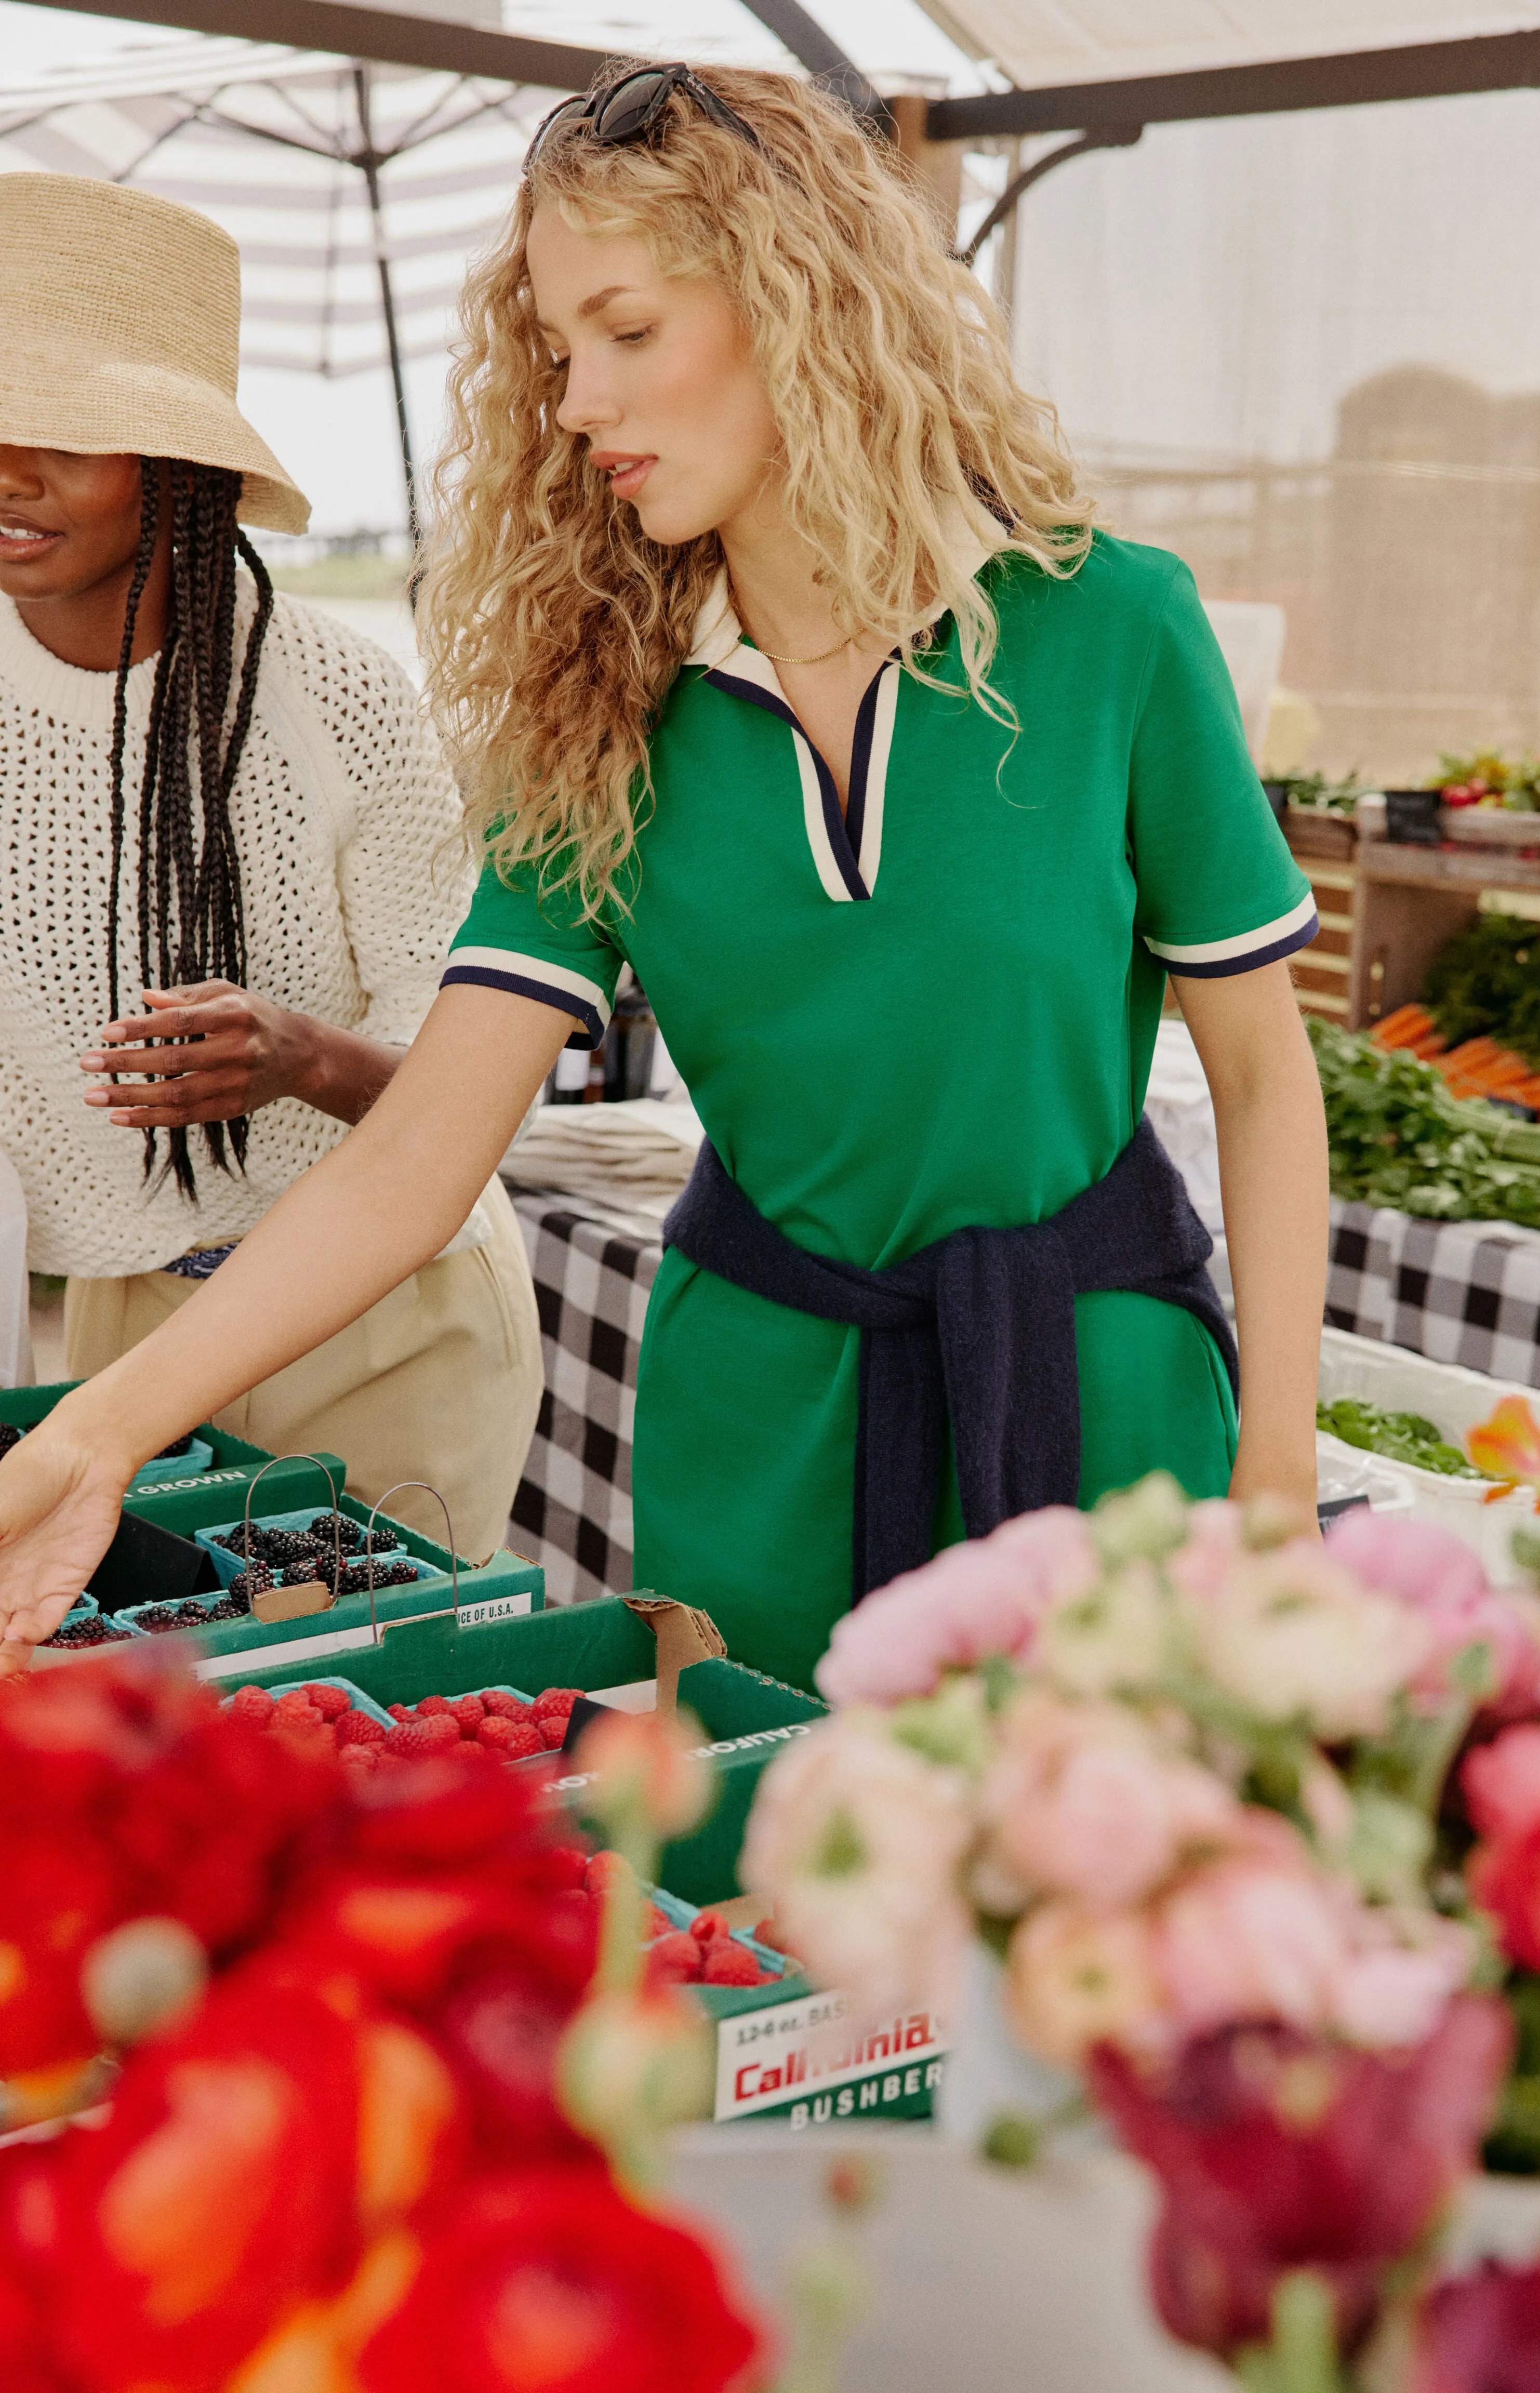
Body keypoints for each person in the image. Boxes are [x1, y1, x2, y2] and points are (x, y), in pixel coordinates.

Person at [0, 72, 1328, 1688]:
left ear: (801, 305)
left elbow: (1261, 1076)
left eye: (627, 332)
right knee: (771, 1899)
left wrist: (1275, 1478)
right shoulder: (604, 713)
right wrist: (100, 1434)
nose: (575, 401)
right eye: (559, 353)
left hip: (1102, 1399)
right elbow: (419, 1152)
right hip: (754, 1428)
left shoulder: (1115, 627)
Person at [0, 173, 540, 1561]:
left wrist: (304, 1057)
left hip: (394, 1324)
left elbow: (475, 1088)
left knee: (381, 1729)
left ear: (179, 465)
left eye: (65, 430)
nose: (10, 466)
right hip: (129, 1321)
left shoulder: (341, 700)